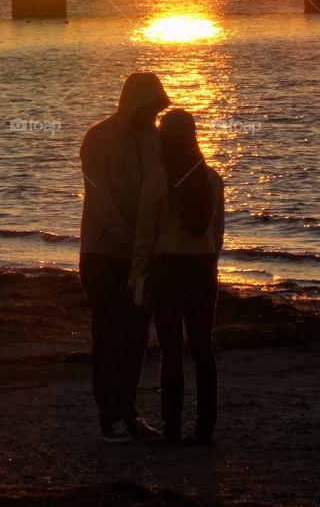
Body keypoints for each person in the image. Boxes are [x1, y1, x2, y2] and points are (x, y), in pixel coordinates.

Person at [79, 71, 170, 444]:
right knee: (108, 336)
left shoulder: (155, 139)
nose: (152, 115)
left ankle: (129, 412)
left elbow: (162, 193)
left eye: (157, 109)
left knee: (136, 338)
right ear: (133, 103)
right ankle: (108, 417)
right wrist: (133, 241)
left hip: (141, 256)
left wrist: (154, 245)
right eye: (148, 108)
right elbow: (99, 201)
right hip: (102, 255)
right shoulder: (98, 138)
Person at [129, 108, 224, 448]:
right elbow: (218, 234)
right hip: (202, 270)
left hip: (167, 270)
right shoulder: (212, 179)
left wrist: (137, 273)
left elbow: (145, 234)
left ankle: (171, 428)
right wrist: (209, 262)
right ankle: (205, 428)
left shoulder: (156, 179)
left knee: (171, 353)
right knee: (202, 350)